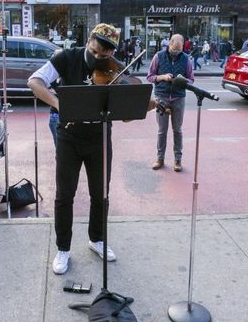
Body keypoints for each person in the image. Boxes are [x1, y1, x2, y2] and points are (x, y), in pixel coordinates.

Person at [28, 23, 157, 275]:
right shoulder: (66, 58)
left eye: (105, 56)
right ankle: (63, 249)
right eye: (96, 52)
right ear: (89, 41)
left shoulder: (115, 70)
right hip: (69, 135)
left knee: (101, 194)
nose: (99, 59)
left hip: (99, 136)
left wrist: (146, 106)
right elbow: (35, 81)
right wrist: (59, 104)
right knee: (65, 194)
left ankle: (96, 239)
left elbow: (126, 116)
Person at [147, 34, 194, 172]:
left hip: (178, 98)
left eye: (179, 50)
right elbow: (150, 76)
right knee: (162, 131)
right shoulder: (158, 56)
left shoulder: (186, 59)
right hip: (161, 96)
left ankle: (177, 160)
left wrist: (183, 80)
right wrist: (163, 77)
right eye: (174, 49)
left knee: (177, 130)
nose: (176, 52)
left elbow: (191, 79)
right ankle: (160, 158)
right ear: (169, 45)